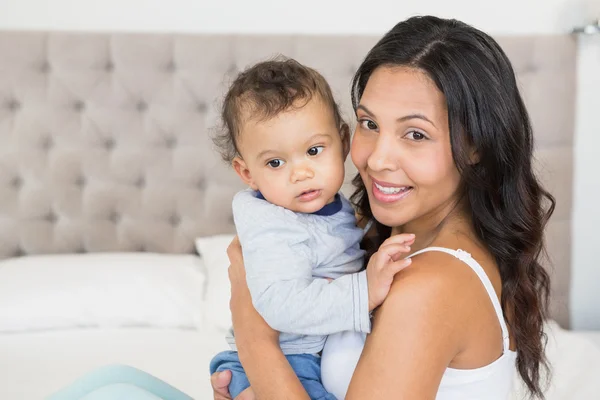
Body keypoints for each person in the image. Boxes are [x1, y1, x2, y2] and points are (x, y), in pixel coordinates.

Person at [211, 15, 554, 400]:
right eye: (369, 124)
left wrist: (253, 332)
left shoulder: (428, 286)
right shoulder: (368, 236)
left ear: (475, 145)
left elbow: (265, 325)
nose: (376, 160)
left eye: (415, 134)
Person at [209, 58, 414, 399]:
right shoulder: (274, 226)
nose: (300, 172)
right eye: (275, 162)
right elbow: (280, 304)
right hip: (290, 360)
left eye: (314, 151)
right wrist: (364, 291)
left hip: (304, 356)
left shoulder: (333, 207)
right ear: (247, 173)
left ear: (343, 142)